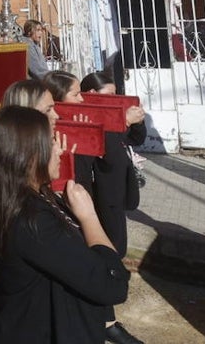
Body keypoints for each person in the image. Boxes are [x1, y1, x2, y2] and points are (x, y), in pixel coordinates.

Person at [0, 105, 130, 344]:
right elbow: (111, 285)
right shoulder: (31, 220)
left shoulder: (8, 198)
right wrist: (89, 218)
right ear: (30, 155)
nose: (59, 149)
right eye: (52, 141)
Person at [45, 70, 144, 344]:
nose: (81, 99)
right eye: (75, 94)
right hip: (73, 203)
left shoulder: (83, 118)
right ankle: (107, 322)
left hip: (93, 200)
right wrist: (121, 121)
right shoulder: (60, 126)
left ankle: (106, 319)